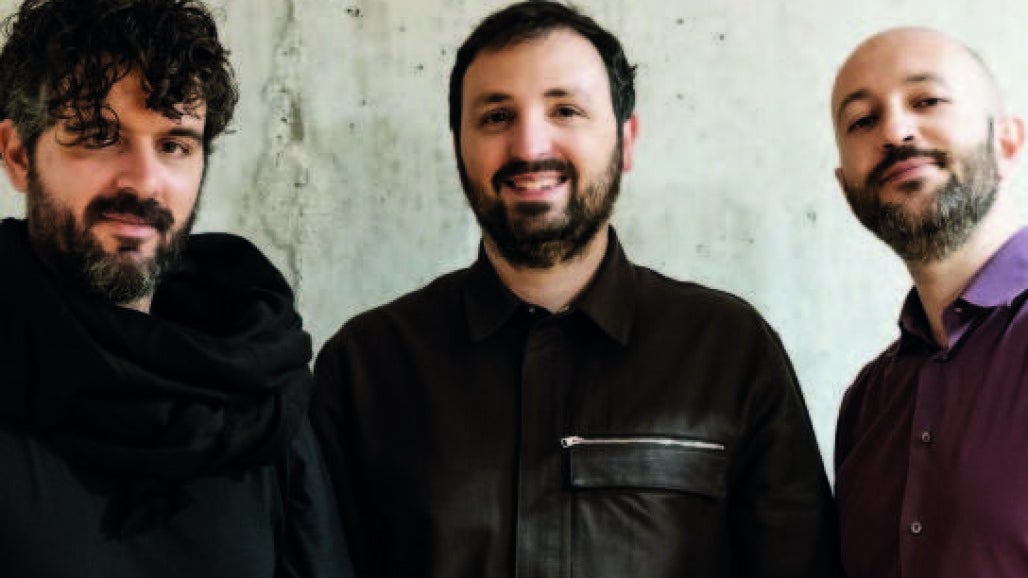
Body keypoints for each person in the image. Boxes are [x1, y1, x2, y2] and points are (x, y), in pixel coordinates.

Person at [312, 2, 841, 576]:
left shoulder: (730, 350)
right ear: (459, 146)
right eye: (496, 117)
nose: (529, 146)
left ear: (627, 140)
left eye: (565, 110)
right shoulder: (365, 367)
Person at [0, 1, 352, 576]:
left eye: (174, 145)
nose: (144, 181)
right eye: (98, 134)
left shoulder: (257, 384)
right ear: (18, 155)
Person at [831, 27, 1027, 578]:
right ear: (847, 189)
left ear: (1007, 142)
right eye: (862, 120)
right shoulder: (867, 401)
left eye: (927, 100)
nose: (895, 130)